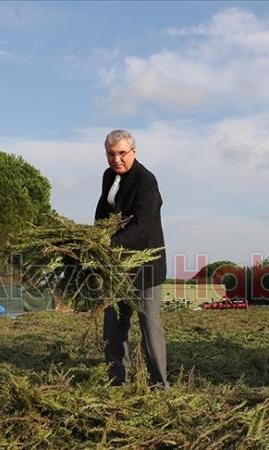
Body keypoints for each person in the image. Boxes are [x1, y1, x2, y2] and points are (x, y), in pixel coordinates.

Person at [94, 129, 168, 389]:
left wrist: (110, 244)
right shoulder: (108, 176)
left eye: (122, 153)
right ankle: (118, 382)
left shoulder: (146, 181)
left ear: (133, 152)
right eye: (111, 154)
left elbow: (143, 226)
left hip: (146, 265)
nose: (116, 159)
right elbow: (104, 209)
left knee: (149, 325)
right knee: (113, 325)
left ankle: (159, 384)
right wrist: (94, 236)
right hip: (116, 267)